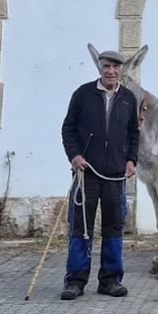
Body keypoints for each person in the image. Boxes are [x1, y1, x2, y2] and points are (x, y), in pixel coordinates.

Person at [60, 48, 139, 300]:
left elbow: (133, 134)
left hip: (115, 175)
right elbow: (68, 129)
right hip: (87, 173)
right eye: (107, 66)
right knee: (81, 228)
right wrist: (74, 156)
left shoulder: (128, 98)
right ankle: (75, 281)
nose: (111, 71)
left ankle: (110, 280)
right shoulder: (83, 94)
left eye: (116, 67)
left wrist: (131, 159)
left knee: (114, 228)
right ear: (99, 68)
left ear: (121, 70)